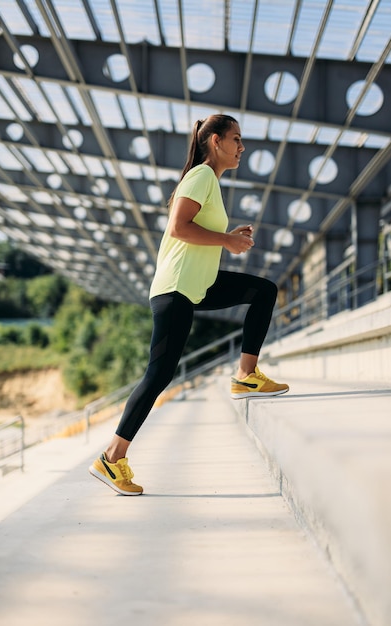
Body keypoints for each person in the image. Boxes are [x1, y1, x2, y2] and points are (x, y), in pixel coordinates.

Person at [89, 114, 289, 496]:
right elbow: (179, 228)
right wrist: (226, 242)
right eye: (236, 139)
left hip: (196, 286)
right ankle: (112, 458)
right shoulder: (200, 176)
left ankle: (246, 375)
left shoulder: (208, 180)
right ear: (215, 141)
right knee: (159, 374)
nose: (241, 147)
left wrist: (227, 236)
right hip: (176, 289)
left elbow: (194, 230)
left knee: (263, 291)